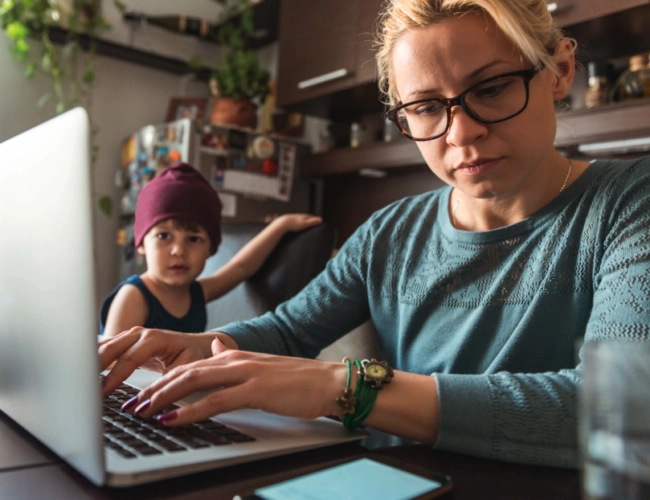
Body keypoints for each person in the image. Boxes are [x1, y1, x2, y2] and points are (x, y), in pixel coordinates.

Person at [99, 0, 650, 468]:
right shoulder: (392, 231)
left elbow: (621, 407)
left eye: (493, 88)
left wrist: (342, 386)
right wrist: (192, 348)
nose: (461, 132)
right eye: (427, 107)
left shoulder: (631, 203)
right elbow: (290, 332)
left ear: (558, 69)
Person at [100, 162, 322, 337]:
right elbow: (110, 365)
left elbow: (242, 266)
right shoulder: (134, 296)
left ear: (211, 249)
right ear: (141, 244)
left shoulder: (197, 293)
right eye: (164, 236)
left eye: (194, 239)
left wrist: (279, 226)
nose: (179, 250)